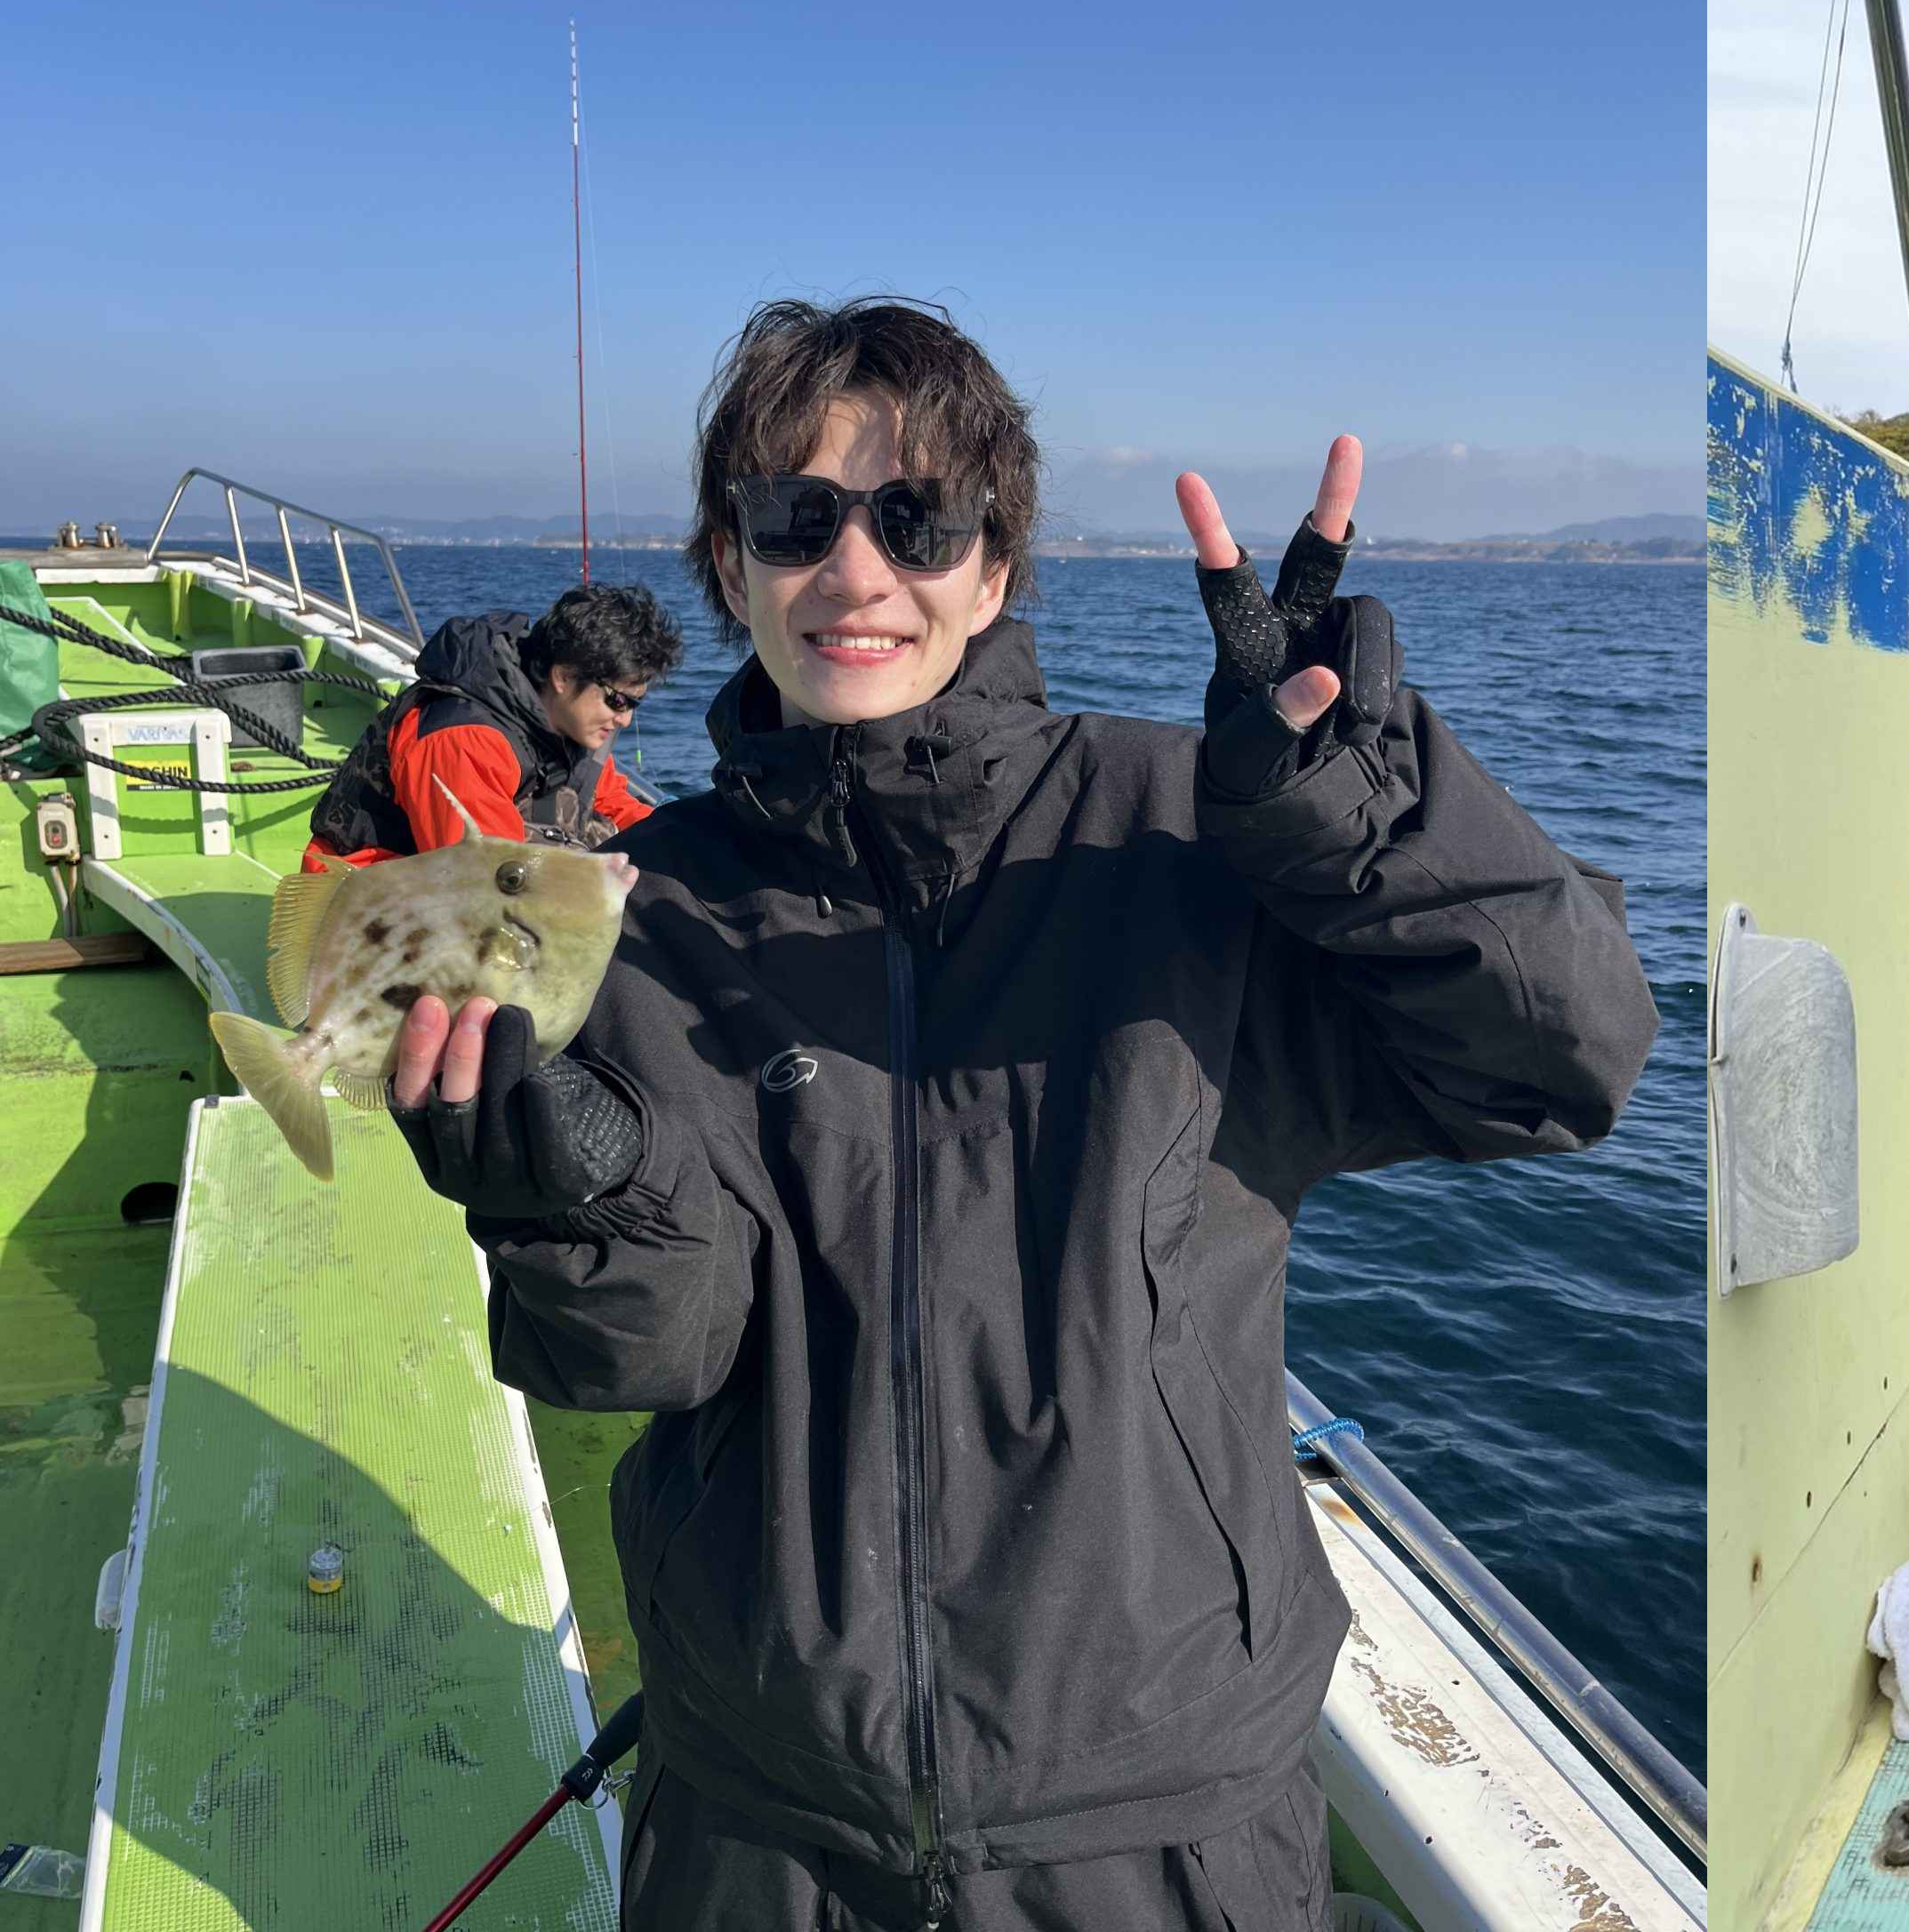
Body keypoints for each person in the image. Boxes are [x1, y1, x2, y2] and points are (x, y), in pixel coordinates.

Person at [379, 297, 1656, 1929]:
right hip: (760, 1825)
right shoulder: (644, 906)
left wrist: (1352, 819)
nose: (857, 571)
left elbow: (1566, 1062)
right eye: (799, 517)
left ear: (995, 567)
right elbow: (648, 1355)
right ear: (729, 560)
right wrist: (556, 1197)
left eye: (918, 519)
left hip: (1167, 1823)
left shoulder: (1193, 843)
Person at [303, 583, 683, 869]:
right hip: (362, 903)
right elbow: (480, 876)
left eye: (636, 703)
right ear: (563, 678)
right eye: (618, 700)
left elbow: (612, 804)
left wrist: (683, 846)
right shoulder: (464, 739)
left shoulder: (573, 723)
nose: (626, 718)